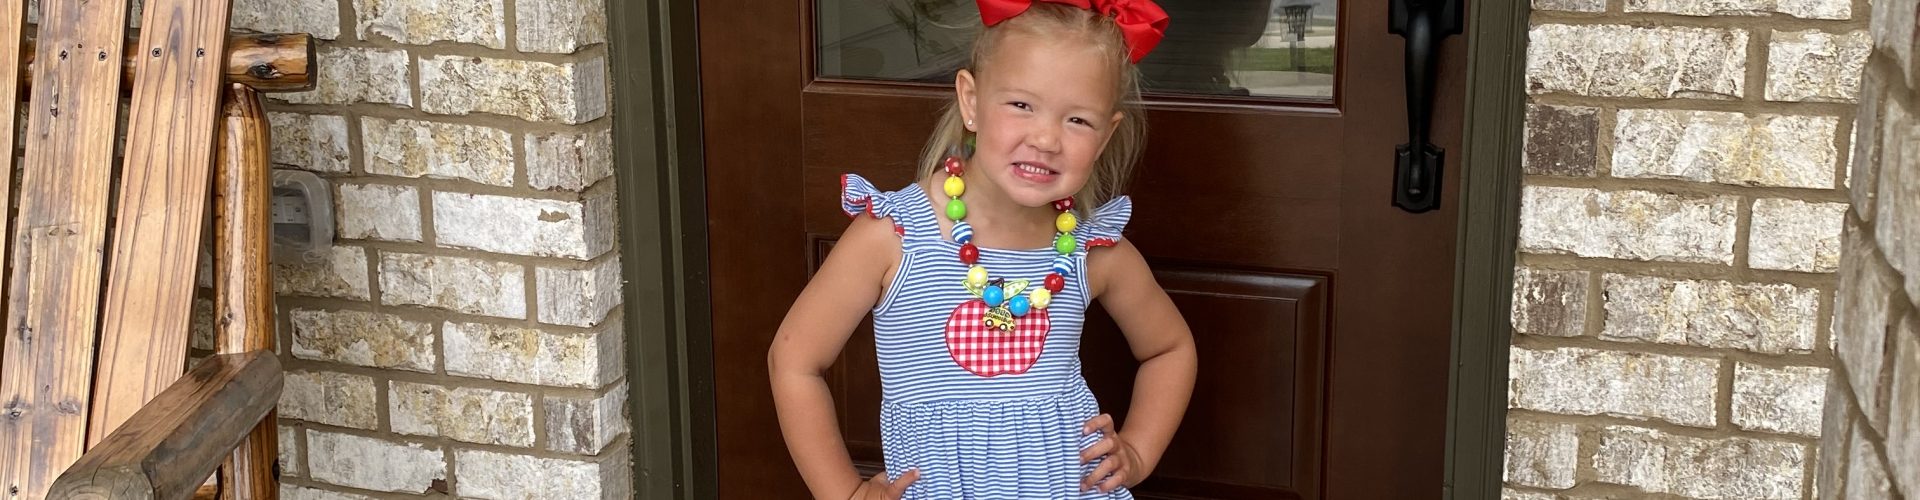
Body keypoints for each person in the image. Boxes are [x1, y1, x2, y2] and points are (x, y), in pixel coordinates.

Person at [768, 1, 1197, 498]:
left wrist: (1138, 450)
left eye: (1078, 120)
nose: (1046, 138)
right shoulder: (895, 236)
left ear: (1105, 137)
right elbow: (794, 361)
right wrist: (844, 492)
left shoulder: (1091, 249)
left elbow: (1170, 348)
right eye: (1021, 105)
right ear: (971, 101)